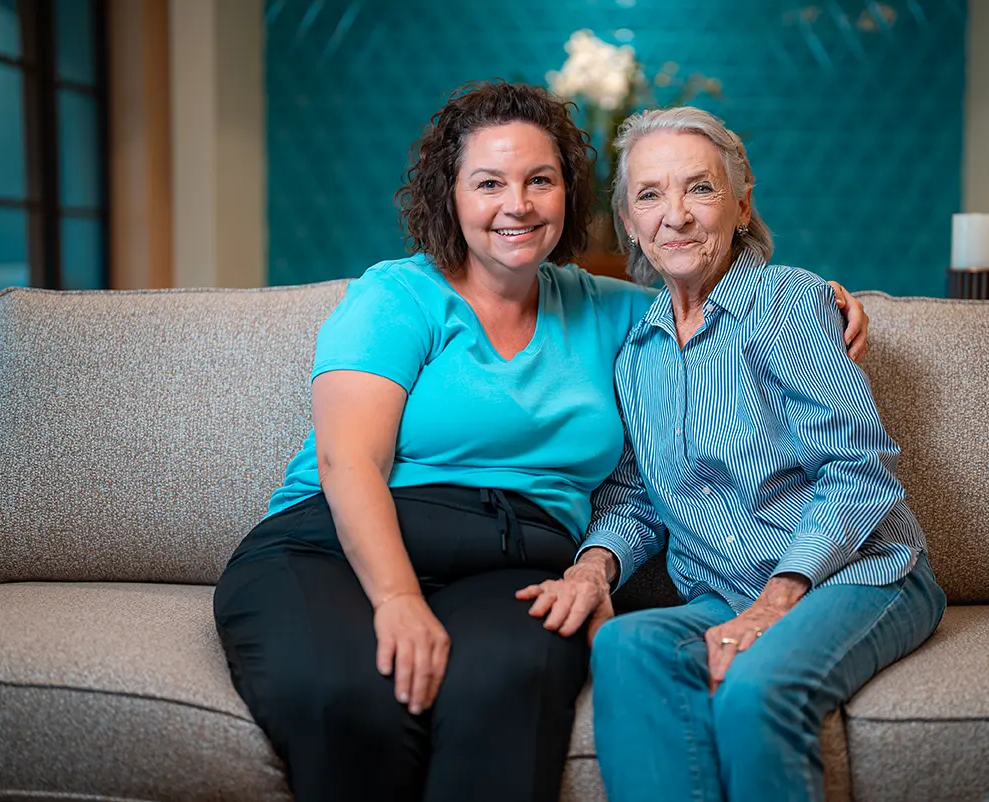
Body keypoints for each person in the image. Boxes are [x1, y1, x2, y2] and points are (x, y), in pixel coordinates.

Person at [213, 83, 872, 802]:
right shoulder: (397, 297)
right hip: (337, 547)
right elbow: (349, 461)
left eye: (540, 180)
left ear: (570, 195)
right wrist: (397, 598)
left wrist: (824, 300)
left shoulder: (611, 310)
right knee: (354, 699)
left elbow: (710, 290)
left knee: (510, 686)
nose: (518, 204)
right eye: (489, 183)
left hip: (515, 561)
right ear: (449, 195)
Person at [523, 106, 947, 802]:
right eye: (650, 195)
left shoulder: (789, 303)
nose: (676, 215)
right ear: (628, 221)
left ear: (742, 205)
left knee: (755, 686)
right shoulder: (639, 349)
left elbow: (858, 472)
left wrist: (777, 601)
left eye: (701, 188)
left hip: (859, 576)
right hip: (726, 594)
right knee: (625, 647)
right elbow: (637, 499)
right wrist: (593, 567)